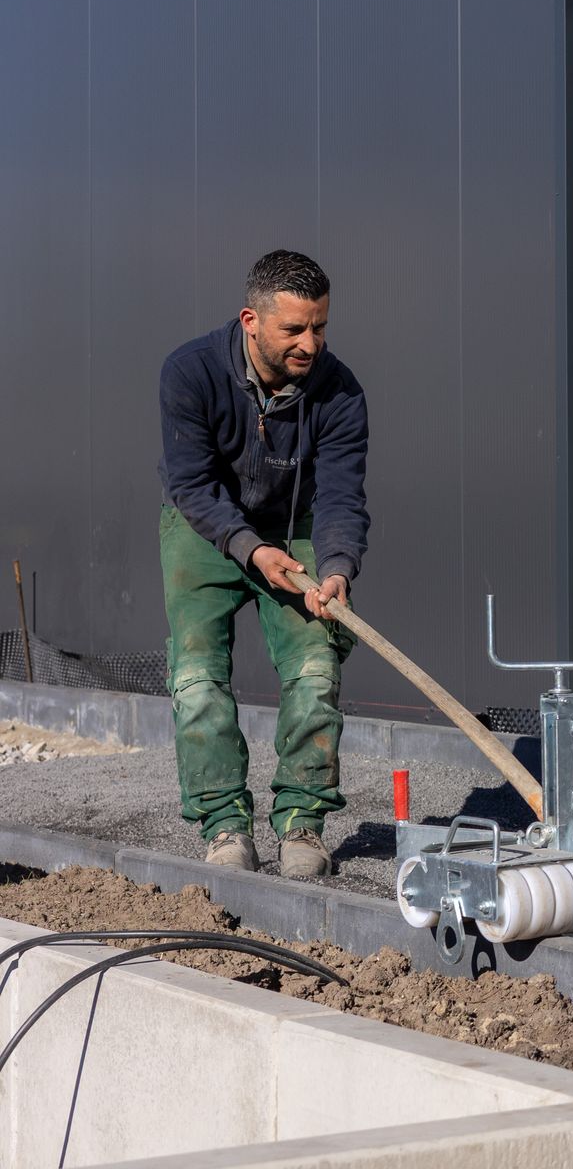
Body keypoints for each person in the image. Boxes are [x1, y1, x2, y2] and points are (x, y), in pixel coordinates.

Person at [157, 250, 369, 877]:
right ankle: (225, 825)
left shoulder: (340, 390)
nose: (311, 343)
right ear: (251, 320)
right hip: (203, 526)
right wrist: (248, 547)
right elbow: (191, 484)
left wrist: (337, 567)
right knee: (198, 679)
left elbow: (342, 495)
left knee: (317, 669)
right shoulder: (189, 371)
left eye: (320, 326)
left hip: (294, 528)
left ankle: (303, 822)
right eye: (294, 329)